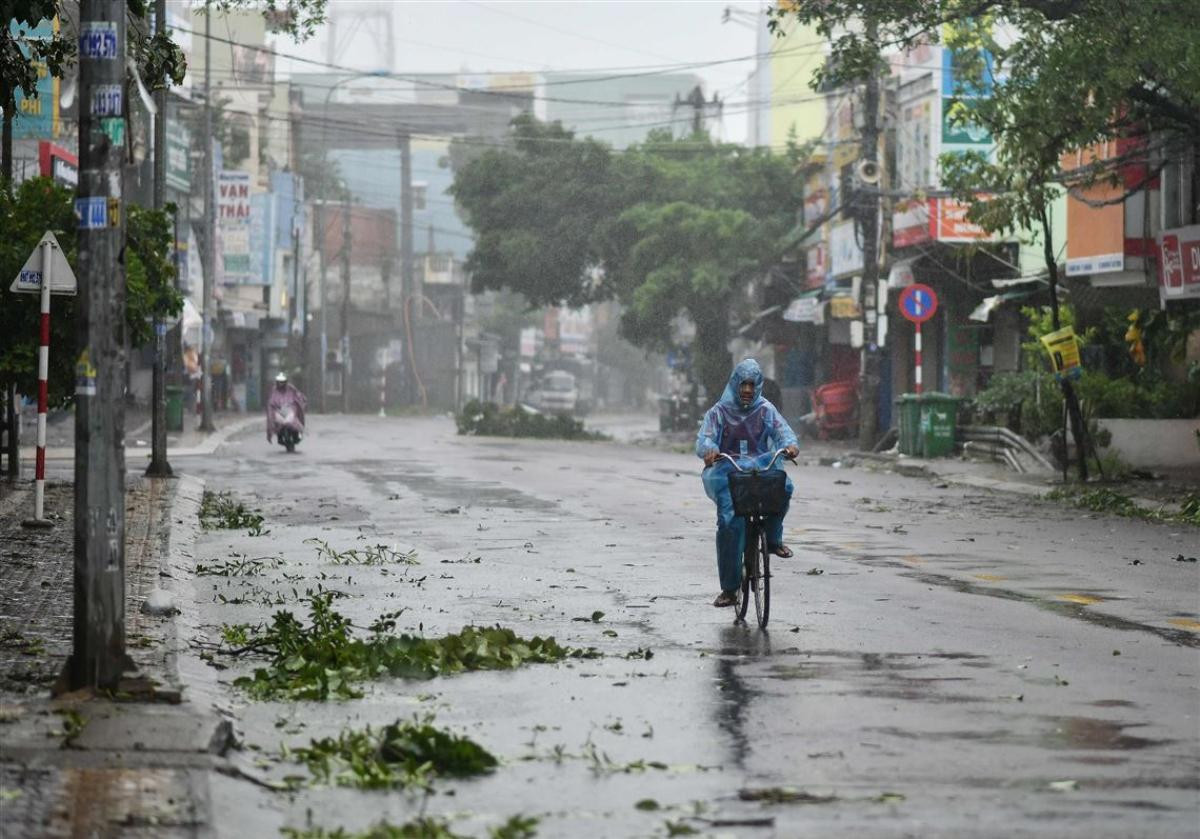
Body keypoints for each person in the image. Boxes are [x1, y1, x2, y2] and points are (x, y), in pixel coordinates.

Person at [696, 359, 799, 607]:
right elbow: (705, 438)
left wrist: (790, 445)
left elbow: (783, 431)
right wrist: (710, 450)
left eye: (752, 385)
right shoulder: (719, 412)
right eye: (743, 384)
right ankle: (730, 589)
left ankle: (773, 540)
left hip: (761, 468)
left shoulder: (766, 410)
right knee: (730, 522)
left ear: (758, 386)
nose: (747, 390)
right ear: (735, 384)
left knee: (783, 487)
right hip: (729, 472)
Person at [266, 372, 306, 444]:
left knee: (294, 421)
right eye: (279, 382)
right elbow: (271, 401)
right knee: (274, 420)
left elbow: (298, 395)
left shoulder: (291, 388)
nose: (281, 383)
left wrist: (301, 399)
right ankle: (279, 435)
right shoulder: (274, 390)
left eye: (282, 382)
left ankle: (297, 434)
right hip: (278, 410)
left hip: (290, 409)